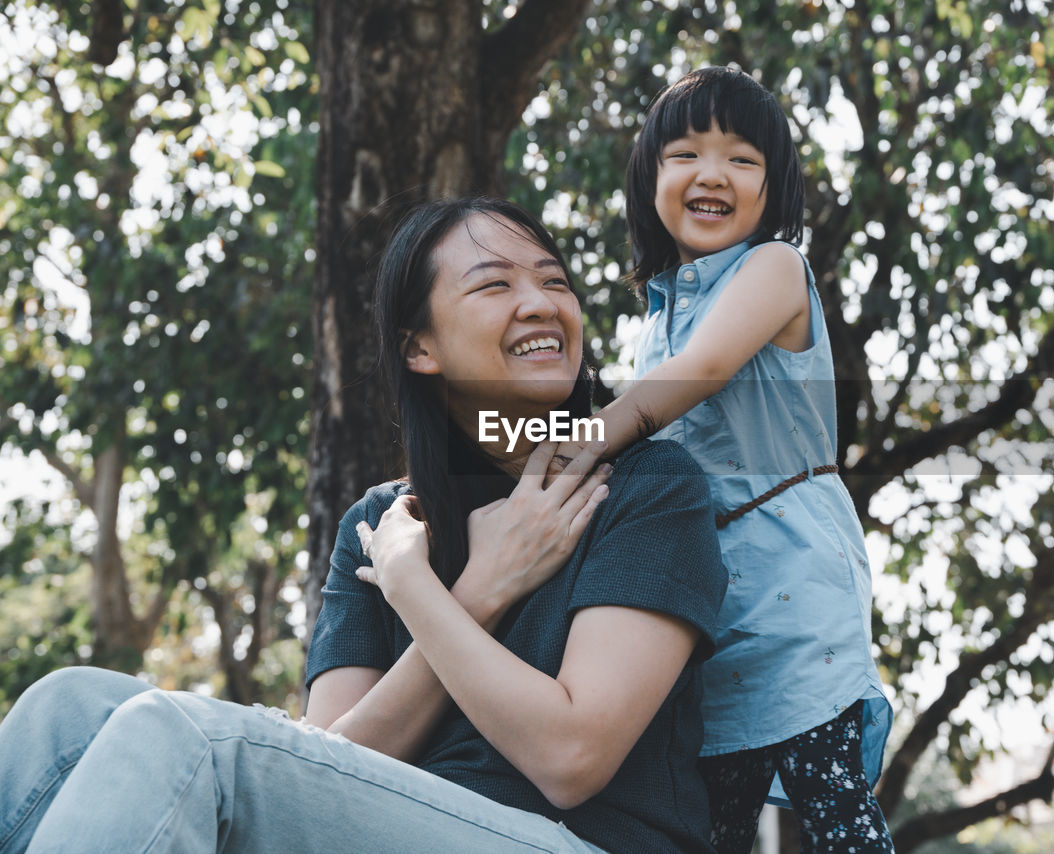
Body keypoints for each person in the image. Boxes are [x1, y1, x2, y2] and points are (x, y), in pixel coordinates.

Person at [0, 198, 727, 854]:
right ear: (421, 348)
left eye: (555, 281)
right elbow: (336, 751)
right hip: (402, 826)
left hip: (583, 843)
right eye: (495, 285)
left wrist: (415, 593)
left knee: (186, 739)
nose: (540, 303)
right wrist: (470, 594)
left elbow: (573, 758)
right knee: (65, 709)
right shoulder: (383, 525)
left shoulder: (645, 487)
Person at [566, 67, 895, 852]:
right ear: (650, 179)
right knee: (713, 820)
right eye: (685, 153)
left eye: (742, 158)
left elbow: (696, 379)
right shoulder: (656, 316)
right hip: (712, 598)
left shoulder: (773, 269)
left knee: (831, 801)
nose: (712, 173)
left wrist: (572, 446)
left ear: (773, 189)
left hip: (791, 580)